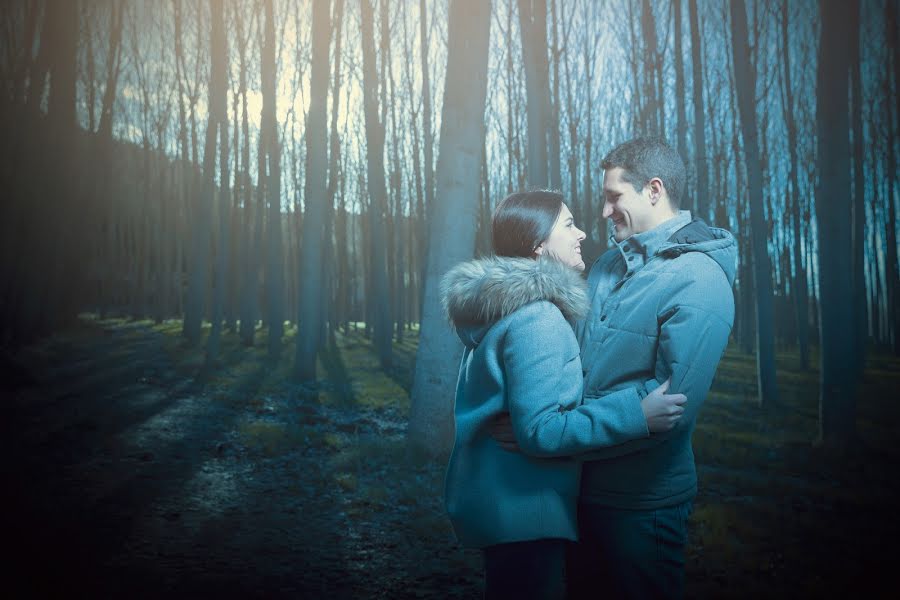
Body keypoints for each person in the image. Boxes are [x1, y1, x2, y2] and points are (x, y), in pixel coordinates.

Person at [495, 138, 737, 599]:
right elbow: (567, 362)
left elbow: (669, 409)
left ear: (653, 191)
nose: (604, 212)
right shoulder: (606, 266)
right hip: (579, 494)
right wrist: (535, 420)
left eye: (613, 197)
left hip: (642, 507)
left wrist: (549, 441)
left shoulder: (699, 279)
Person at [441, 190, 688, 600]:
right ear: (538, 245)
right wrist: (637, 414)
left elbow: (529, 420)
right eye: (569, 224)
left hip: (508, 505)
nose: (584, 233)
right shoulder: (537, 317)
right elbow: (542, 431)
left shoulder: (506, 310)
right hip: (525, 510)